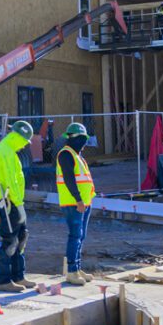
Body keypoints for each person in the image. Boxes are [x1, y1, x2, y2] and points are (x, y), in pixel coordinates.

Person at [0, 120, 35, 291]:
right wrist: (19, 205)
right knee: (10, 241)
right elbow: (11, 182)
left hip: (12, 202)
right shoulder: (5, 152)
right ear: (18, 137)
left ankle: (18, 276)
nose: (24, 146)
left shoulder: (7, 151)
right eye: (24, 141)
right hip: (9, 203)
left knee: (20, 239)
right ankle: (3, 280)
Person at [56, 121, 97, 285]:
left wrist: (87, 199)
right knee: (75, 236)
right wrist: (79, 200)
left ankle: (77, 268)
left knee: (80, 236)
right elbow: (69, 179)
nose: (84, 143)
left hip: (83, 203)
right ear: (75, 138)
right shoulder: (66, 154)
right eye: (82, 139)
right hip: (73, 203)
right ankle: (72, 271)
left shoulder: (77, 156)